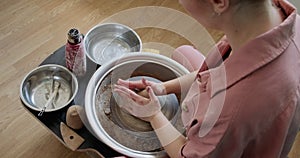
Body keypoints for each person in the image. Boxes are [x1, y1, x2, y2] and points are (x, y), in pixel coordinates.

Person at [113, 0, 300, 157]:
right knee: (183, 52)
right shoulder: (281, 18)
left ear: (218, 2)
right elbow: (217, 71)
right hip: (258, 112)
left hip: (233, 139)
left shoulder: (233, 108)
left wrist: (153, 114)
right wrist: (163, 88)